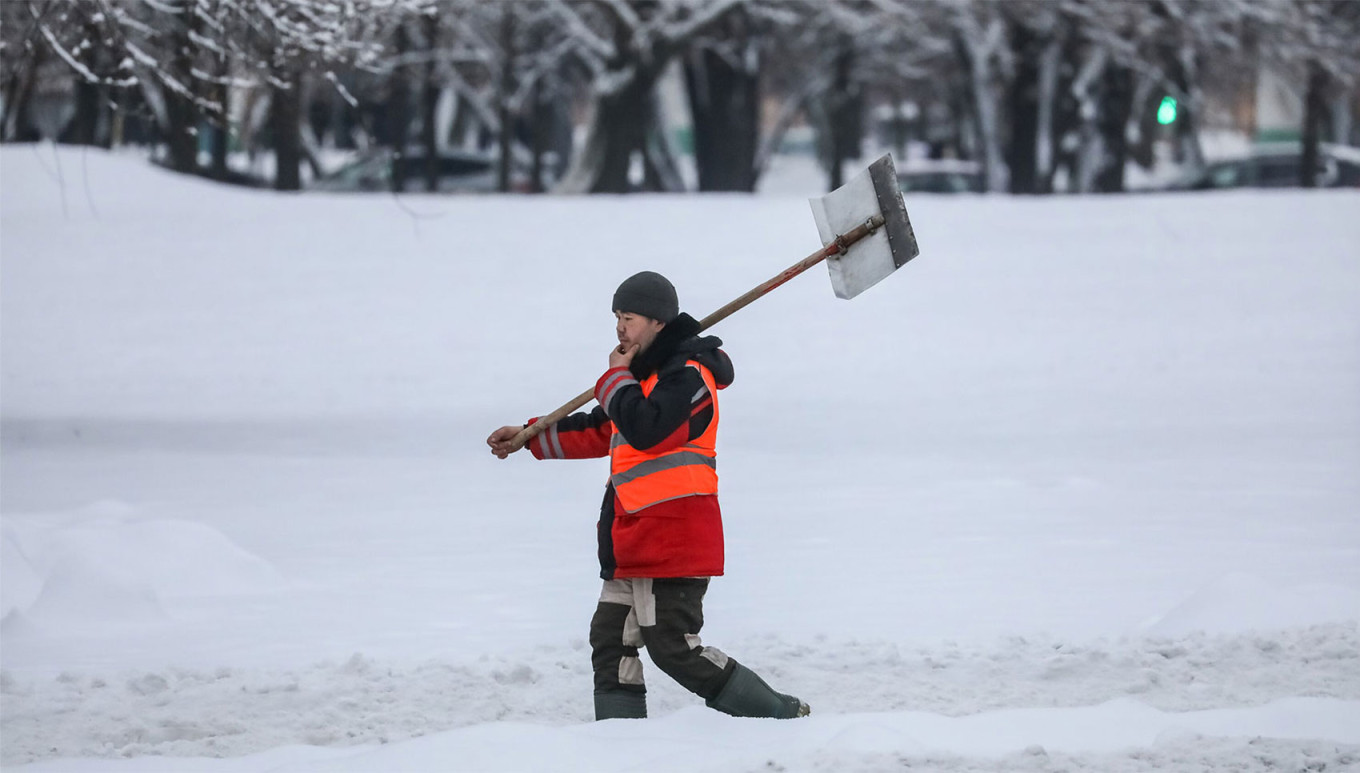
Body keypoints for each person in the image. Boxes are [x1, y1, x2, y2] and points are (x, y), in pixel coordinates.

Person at [487, 271, 809, 721]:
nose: (620, 328)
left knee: (673, 649)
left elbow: (646, 430)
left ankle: (781, 716)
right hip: (632, 542)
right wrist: (528, 436)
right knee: (610, 641)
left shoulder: (690, 378)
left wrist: (617, 378)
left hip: (674, 544)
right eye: (617, 317)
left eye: (630, 317)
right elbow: (605, 427)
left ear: (658, 322)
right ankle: (621, 744)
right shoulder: (647, 381)